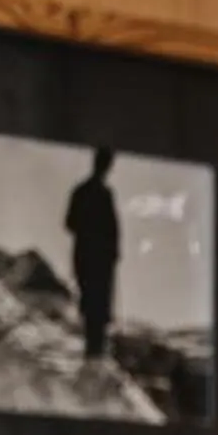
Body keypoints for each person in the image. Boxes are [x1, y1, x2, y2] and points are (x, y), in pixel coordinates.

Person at [63, 147, 121, 361]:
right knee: (95, 304)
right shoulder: (99, 194)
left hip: (93, 258)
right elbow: (70, 223)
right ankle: (93, 352)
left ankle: (95, 351)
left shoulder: (88, 192)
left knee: (94, 304)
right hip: (93, 258)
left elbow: (70, 223)